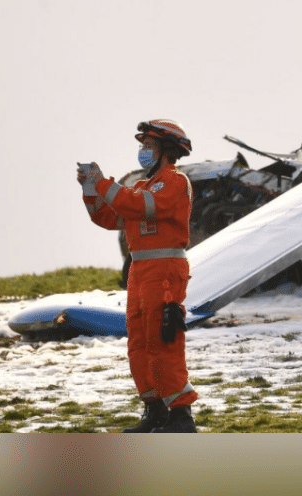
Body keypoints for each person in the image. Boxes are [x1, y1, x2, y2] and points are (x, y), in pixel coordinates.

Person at [78, 119, 199, 432]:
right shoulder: (143, 187)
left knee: (163, 340)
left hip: (164, 272)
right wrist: (90, 190)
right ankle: (155, 411)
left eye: (149, 146)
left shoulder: (174, 181)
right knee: (140, 344)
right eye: (142, 146)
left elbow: (141, 206)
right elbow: (110, 217)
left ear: (166, 150)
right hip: (140, 272)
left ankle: (181, 416)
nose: (143, 152)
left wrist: (104, 184)